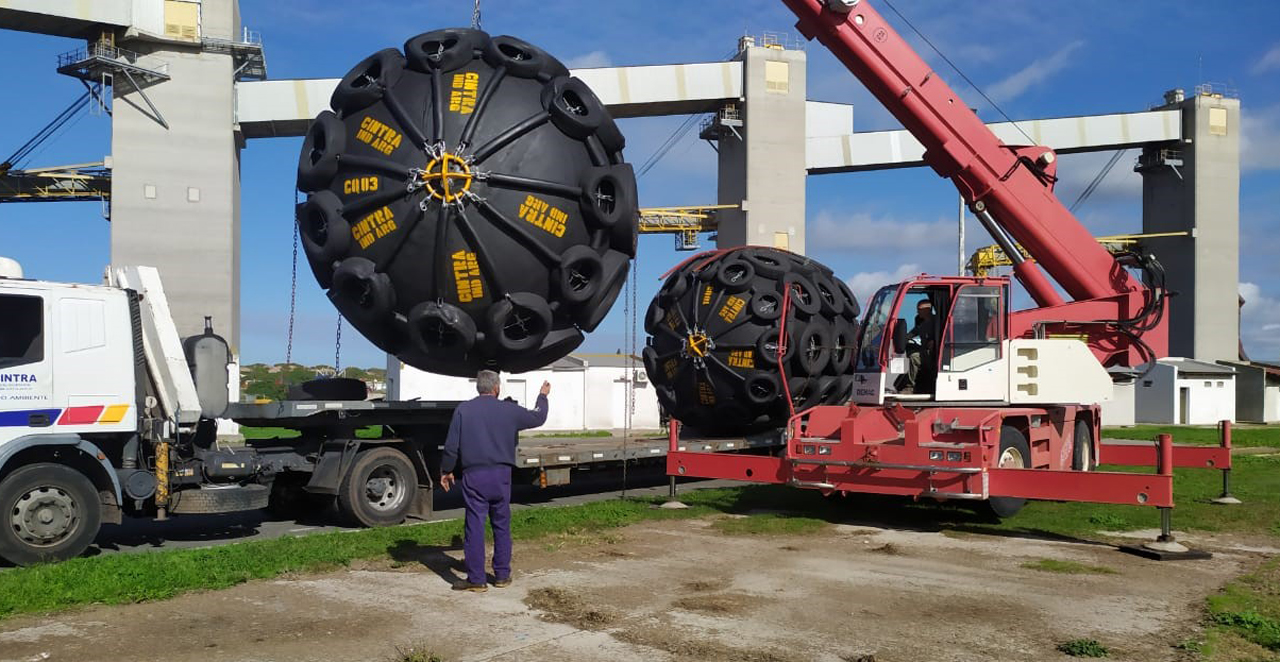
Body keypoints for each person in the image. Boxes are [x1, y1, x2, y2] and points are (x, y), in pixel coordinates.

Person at [440, 371, 550, 592]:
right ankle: (501, 575)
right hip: (502, 475)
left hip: (475, 475)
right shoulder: (508, 410)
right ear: (497, 388)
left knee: (475, 526)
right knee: (501, 524)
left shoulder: (464, 410)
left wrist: (447, 470)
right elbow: (538, 417)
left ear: (477, 388)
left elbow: (452, 446)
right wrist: (543, 396)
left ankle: (477, 580)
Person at [900, 299, 936, 395]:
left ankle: (910, 387)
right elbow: (912, 333)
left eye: (919, 309)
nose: (917, 312)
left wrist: (934, 342)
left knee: (914, 357)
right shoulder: (921, 322)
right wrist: (901, 339)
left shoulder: (936, 322)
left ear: (927, 310)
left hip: (934, 353)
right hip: (924, 350)